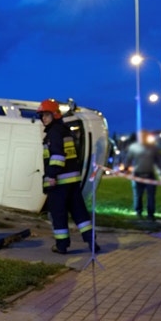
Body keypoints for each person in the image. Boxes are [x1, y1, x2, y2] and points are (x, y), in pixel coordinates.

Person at [37, 99, 99, 254]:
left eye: (46, 115)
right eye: (42, 115)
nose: (44, 118)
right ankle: (92, 242)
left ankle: (62, 245)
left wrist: (51, 176)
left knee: (58, 214)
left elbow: (58, 157)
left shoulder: (54, 133)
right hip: (73, 182)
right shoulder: (66, 131)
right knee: (79, 213)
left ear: (55, 115)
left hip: (59, 182)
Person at [124, 130, 161, 220]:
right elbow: (128, 159)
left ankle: (150, 214)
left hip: (150, 175)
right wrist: (126, 168)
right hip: (137, 175)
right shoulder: (133, 147)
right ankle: (138, 212)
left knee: (151, 196)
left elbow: (158, 161)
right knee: (138, 195)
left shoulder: (153, 148)